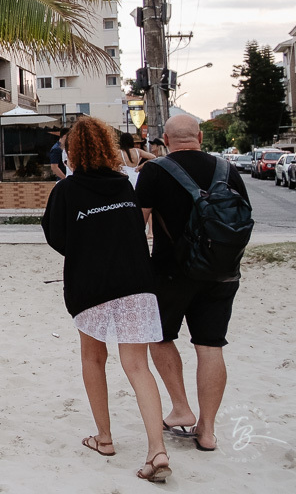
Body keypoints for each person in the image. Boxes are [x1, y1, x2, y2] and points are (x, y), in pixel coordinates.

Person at [44, 116, 171, 483]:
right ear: (107, 147)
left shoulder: (66, 191)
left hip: (91, 285)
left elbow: (58, 239)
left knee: (93, 358)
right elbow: (138, 227)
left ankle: (104, 438)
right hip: (135, 282)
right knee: (137, 366)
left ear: (71, 152)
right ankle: (157, 450)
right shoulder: (126, 185)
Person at [135, 114, 250, 454]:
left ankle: (181, 406)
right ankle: (208, 430)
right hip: (222, 272)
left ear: (166, 141)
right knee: (210, 345)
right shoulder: (226, 169)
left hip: (172, 272)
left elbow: (137, 227)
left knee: (160, 337)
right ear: (200, 136)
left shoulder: (155, 171)